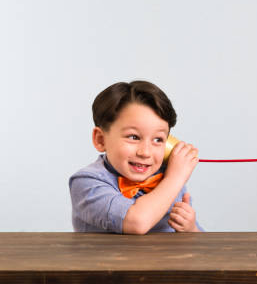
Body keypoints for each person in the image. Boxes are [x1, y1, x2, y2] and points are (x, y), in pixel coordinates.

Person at [69, 80, 203, 234]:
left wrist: (191, 229)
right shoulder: (86, 182)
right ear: (101, 139)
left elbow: (201, 245)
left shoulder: (169, 177)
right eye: (133, 137)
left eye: (158, 140)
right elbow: (137, 222)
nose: (145, 152)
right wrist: (175, 178)